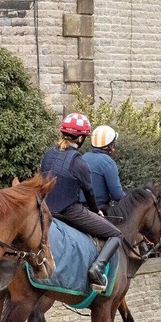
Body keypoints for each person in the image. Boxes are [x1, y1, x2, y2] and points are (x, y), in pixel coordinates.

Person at [42, 113, 124, 292]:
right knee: (116, 234)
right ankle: (97, 269)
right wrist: (97, 212)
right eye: (84, 137)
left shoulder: (48, 154)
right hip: (68, 211)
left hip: (45, 209)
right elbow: (89, 193)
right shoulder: (78, 162)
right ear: (80, 138)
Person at [82, 125, 126, 213]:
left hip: (78, 208)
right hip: (98, 209)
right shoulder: (108, 162)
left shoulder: (83, 157)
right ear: (110, 145)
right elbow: (117, 195)